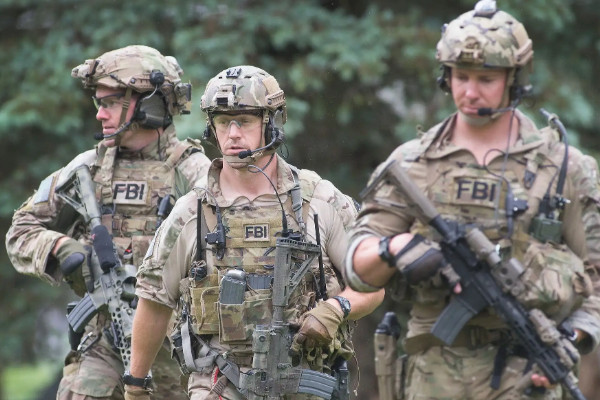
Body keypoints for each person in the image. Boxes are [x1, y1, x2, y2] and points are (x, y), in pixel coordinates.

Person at [343, 1, 600, 399]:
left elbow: (595, 275)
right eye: (460, 76)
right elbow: (357, 268)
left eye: (485, 78)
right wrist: (393, 248)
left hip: (525, 376)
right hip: (433, 376)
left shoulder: (563, 168)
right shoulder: (413, 163)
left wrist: (569, 339)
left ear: (514, 79)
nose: (469, 91)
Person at [124, 65, 384, 400]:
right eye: (222, 122)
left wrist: (336, 308)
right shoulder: (192, 212)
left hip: (304, 381)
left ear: (271, 123)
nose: (232, 134)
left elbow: (372, 284)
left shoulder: (319, 200)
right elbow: (154, 300)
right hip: (219, 383)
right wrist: (135, 386)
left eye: (244, 121)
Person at [5, 45, 211, 400]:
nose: (100, 114)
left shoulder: (194, 174)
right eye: (98, 103)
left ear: (149, 104)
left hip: (179, 351)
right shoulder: (87, 169)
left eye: (111, 103)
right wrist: (60, 247)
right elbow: (20, 231)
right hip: (105, 344)